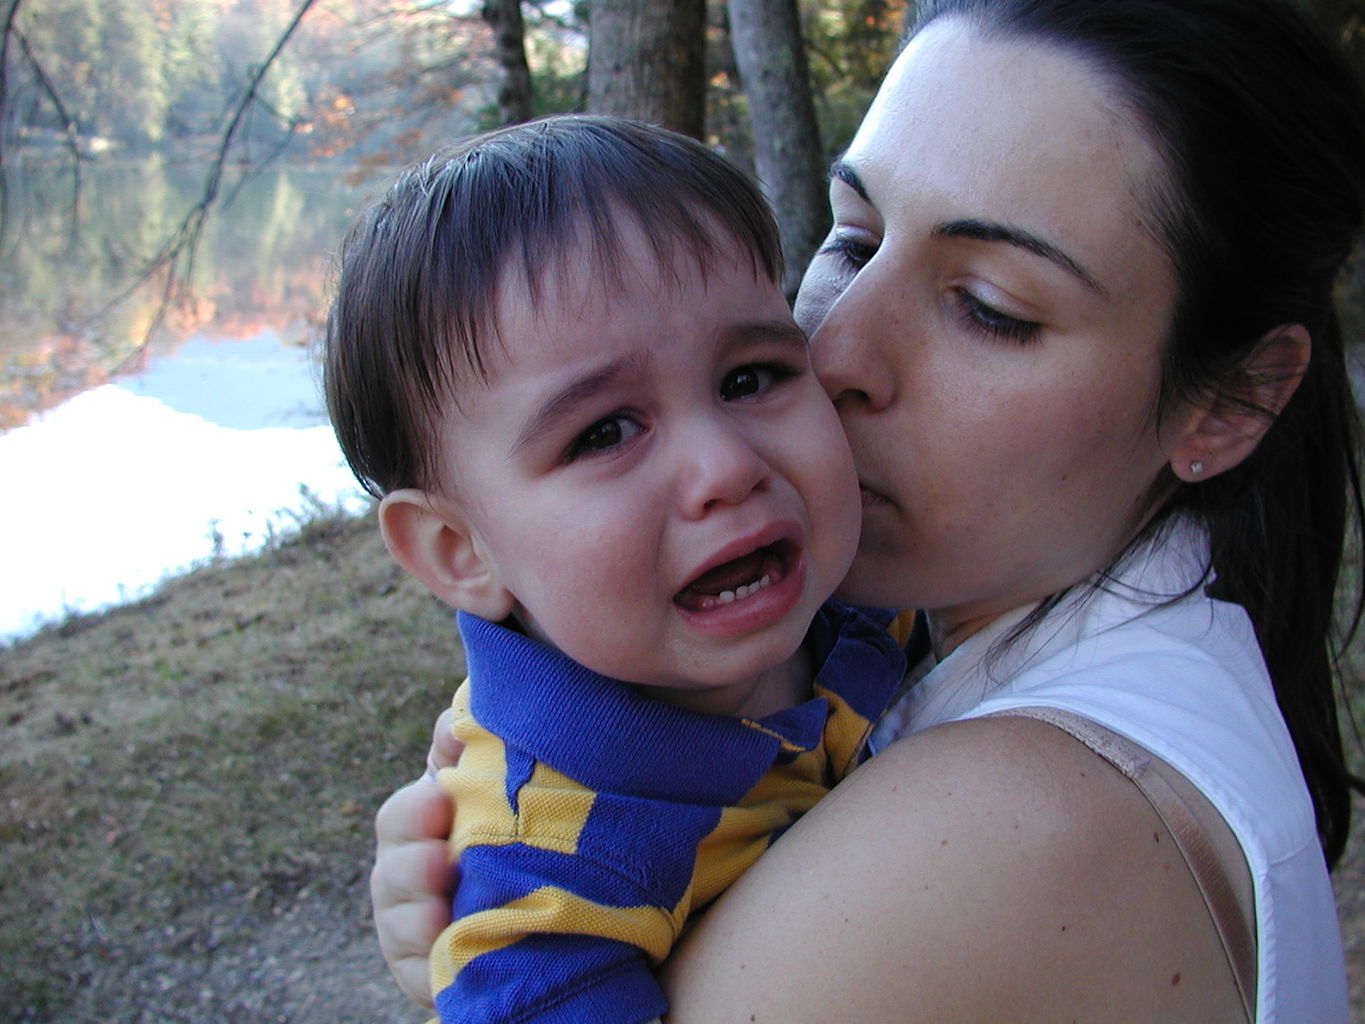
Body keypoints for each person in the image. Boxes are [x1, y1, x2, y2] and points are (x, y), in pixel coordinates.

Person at [369, 0, 1365, 1019]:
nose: (835, 349)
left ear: (1229, 400)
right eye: (853, 240)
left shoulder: (1006, 830)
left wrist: (483, 960)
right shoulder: (960, 632)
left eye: (991, 309)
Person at [322, 116, 908, 1023]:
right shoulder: (541, 884)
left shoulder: (882, 592)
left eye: (749, 377)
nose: (726, 467)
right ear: (460, 552)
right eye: (603, 432)